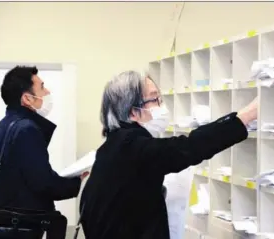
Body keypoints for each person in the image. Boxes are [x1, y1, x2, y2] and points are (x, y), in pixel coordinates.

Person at [79, 70, 258, 239]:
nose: (161, 106)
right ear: (134, 112)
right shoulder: (132, 147)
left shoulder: (114, 145)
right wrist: (245, 116)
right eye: (154, 99)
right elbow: (189, 147)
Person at [0, 66, 89, 238]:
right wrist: (74, 182)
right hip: (20, 232)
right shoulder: (27, 129)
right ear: (27, 99)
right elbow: (44, 183)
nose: (47, 91)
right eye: (42, 87)